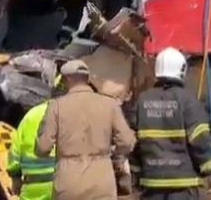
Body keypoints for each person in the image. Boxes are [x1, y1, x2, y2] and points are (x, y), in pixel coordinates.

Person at [35, 60, 136, 200]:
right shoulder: (109, 105)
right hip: (102, 179)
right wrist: (115, 157)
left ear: (66, 79)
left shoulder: (56, 106)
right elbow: (127, 142)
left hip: (69, 182)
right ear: (87, 79)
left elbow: (42, 147)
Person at [131, 47, 211, 200]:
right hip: (183, 187)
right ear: (182, 69)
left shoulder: (142, 101)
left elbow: (132, 142)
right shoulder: (188, 101)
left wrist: (137, 173)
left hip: (152, 186)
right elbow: (200, 140)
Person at [8, 77, 62, 200]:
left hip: (34, 187)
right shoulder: (74, 115)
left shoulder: (31, 115)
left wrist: (15, 180)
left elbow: (14, 154)